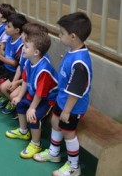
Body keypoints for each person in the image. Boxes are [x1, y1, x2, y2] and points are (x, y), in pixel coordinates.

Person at [33, 12, 93, 176]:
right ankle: (54, 153)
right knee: (54, 121)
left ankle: (74, 166)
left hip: (73, 106)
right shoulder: (72, 50)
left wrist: (67, 111)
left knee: (68, 132)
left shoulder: (80, 62)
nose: (59, 35)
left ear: (73, 36)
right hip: (62, 100)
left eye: (61, 33)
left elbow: (76, 91)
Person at [5, 24, 58, 159]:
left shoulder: (44, 70)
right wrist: (20, 97)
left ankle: (36, 143)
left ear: (36, 52)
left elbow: (41, 94)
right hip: (36, 93)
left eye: (26, 47)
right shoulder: (29, 61)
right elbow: (26, 81)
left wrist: (32, 108)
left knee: (33, 118)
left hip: (48, 98)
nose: (23, 49)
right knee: (21, 103)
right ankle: (23, 132)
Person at [0, 13, 27, 105]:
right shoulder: (9, 37)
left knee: (0, 87)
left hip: (13, 71)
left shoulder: (21, 45)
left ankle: (11, 102)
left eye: (8, 26)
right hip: (5, 67)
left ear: (17, 30)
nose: (5, 28)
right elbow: (6, 54)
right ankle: (5, 98)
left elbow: (14, 63)